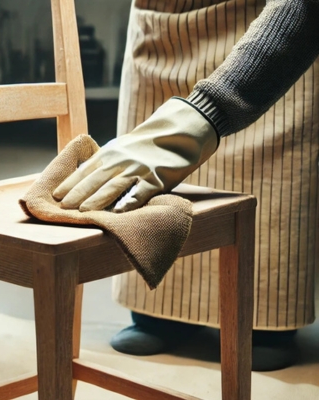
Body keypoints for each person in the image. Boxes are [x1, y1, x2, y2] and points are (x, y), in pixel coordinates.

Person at [53, 0, 319, 371]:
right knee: (143, 181)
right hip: (165, 23)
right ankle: (158, 313)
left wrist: (208, 112)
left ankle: (264, 323)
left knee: (269, 181)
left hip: (270, 19)